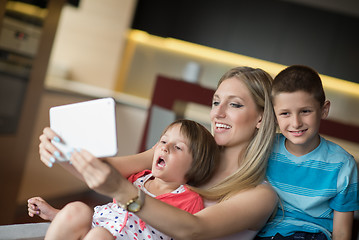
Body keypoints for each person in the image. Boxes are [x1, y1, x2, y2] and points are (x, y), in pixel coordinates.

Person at [35, 66, 278, 239]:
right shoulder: (189, 149)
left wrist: (122, 191)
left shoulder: (259, 195)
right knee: (80, 214)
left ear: (261, 117)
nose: (218, 113)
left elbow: (193, 229)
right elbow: (107, 171)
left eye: (234, 104)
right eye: (216, 102)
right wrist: (62, 153)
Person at [28, 119, 220, 239]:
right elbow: (104, 217)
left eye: (178, 147)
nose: (164, 147)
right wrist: (56, 214)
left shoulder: (189, 199)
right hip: (96, 231)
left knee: (100, 235)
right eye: (163, 141)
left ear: (196, 166)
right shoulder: (136, 179)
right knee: (77, 209)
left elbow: (186, 233)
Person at [256, 65, 359, 240]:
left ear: (324, 110)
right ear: (273, 116)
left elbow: (342, 233)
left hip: (312, 235)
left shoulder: (343, 164)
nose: (296, 123)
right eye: (285, 113)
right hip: (264, 232)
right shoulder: (265, 147)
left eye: (305, 111)